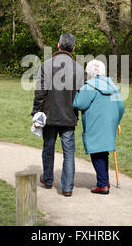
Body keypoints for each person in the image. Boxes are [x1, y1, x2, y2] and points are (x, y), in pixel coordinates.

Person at [31, 33, 84, 197]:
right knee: (69, 152)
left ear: (58, 45)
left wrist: (36, 113)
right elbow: (81, 96)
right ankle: (67, 187)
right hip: (69, 116)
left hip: (50, 114)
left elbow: (40, 93)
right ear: (73, 49)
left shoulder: (46, 66)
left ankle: (47, 179)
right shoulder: (79, 69)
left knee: (48, 147)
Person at [73, 59, 125, 194]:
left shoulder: (88, 86)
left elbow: (79, 104)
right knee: (103, 151)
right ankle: (105, 180)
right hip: (109, 123)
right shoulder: (112, 85)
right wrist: (116, 121)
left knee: (97, 151)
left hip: (95, 123)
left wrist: (77, 93)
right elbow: (121, 107)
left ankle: (102, 185)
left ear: (89, 73)